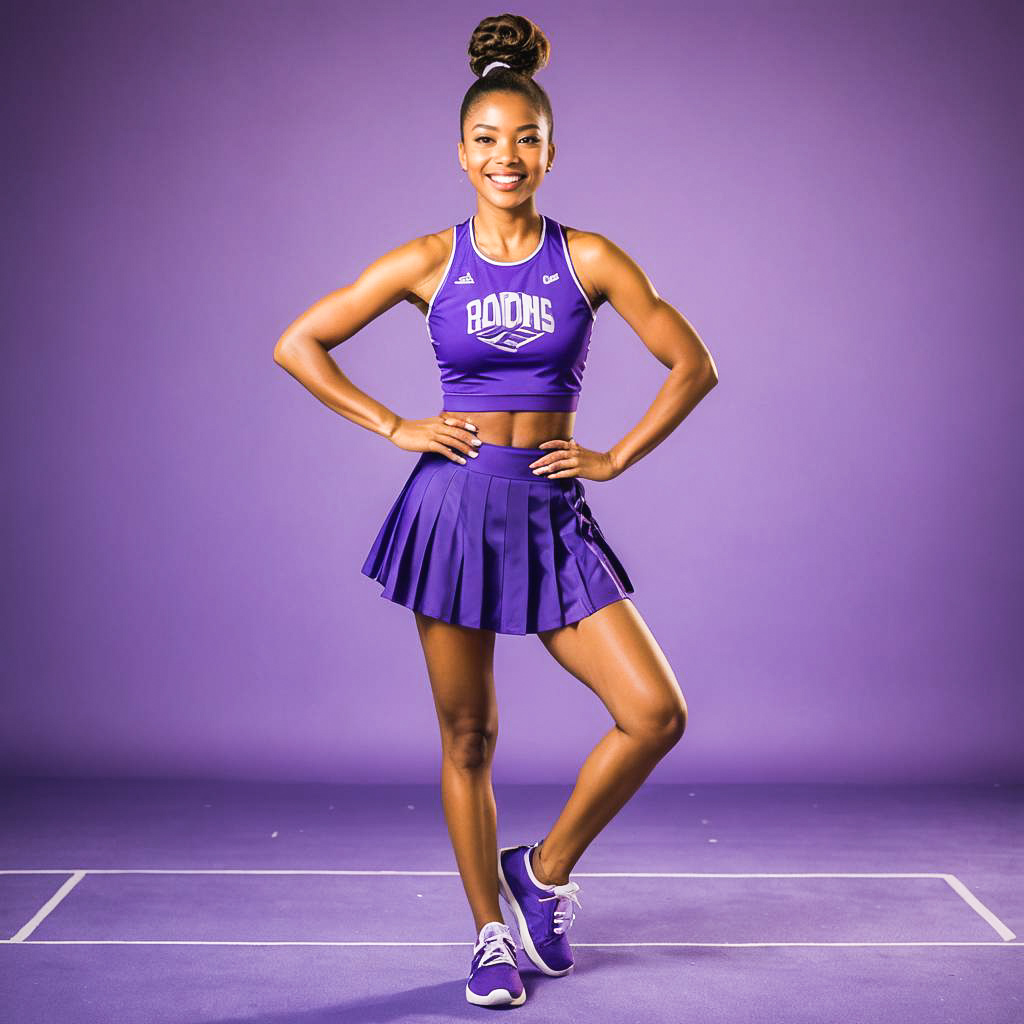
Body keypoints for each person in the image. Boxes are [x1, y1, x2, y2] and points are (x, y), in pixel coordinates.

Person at [274, 12, 718, 1009]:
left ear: (551, 150)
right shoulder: (428, 260)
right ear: (460, 152)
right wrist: (393, 424)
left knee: (652, 712)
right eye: (486, 139)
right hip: (453, 513)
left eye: (524, 138)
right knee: (468, 736)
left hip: (550, 509)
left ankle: (544, 871)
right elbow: (299, 341)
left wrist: (613, 455)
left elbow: (693, 364)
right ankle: (487, 936)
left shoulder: (588, 258)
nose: (504, 156)